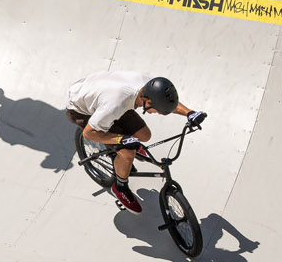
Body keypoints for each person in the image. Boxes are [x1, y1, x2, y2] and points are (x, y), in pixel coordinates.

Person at [66, 71, 206, 213]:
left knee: (144, 135)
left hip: (99, 92)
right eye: (157, 110)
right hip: (81, 109)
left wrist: (190, 113)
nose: (158, 112)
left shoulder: (148, 86)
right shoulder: (115, 104)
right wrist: (121, 139)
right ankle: (120, 187)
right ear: (148, 101)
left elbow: (166, 100)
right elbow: (89, 134)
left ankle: (119, 154)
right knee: (127, 152)